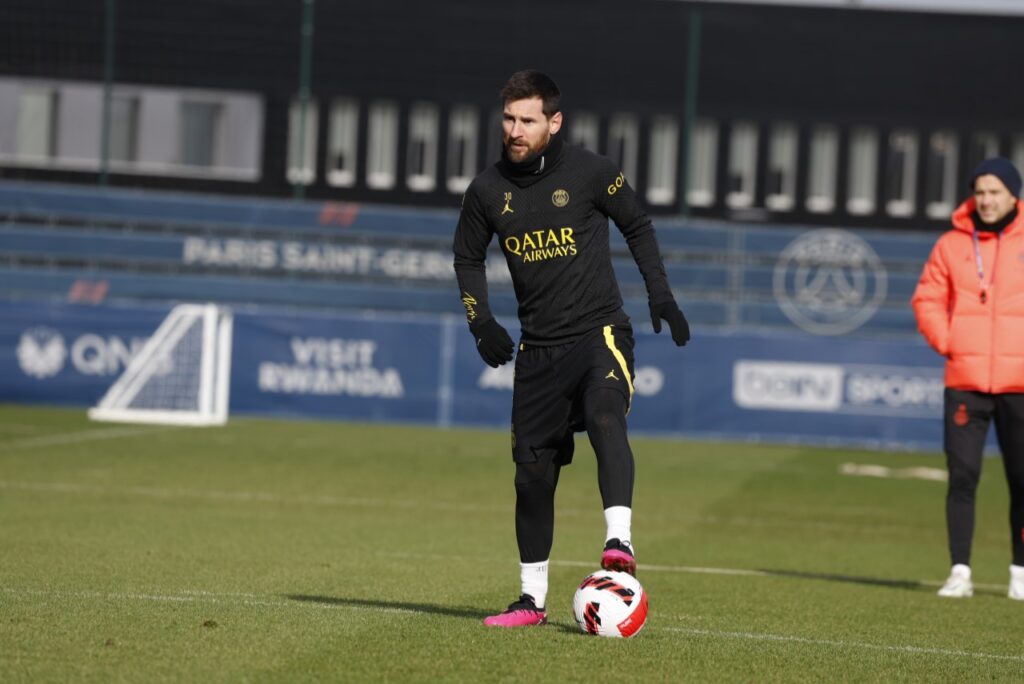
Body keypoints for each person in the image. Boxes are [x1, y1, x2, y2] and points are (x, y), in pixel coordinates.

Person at [452, 70, 689, 627]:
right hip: (538, 352)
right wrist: (479, 321)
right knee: (531, 476)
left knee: (605, 413)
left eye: (527, 120)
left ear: (553, 123)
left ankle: (619, 546)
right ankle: (531, 601)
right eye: (509, 118)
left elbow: (638, 225)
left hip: (598, 333)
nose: (515, 129)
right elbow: (466, 257)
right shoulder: (486, 191)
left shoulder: (591, 172)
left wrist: (662, 296)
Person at [912, 157, 1024, 600]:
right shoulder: (952, 244)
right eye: (980, 191)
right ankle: (960, 571)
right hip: (965, 378)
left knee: (1023, 480)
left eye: (995, 191)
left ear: (1014, 194)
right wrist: (950, 340)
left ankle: (1020, 573)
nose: (987, 200)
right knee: (962, 476)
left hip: (1020, 383)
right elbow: (927, 298)